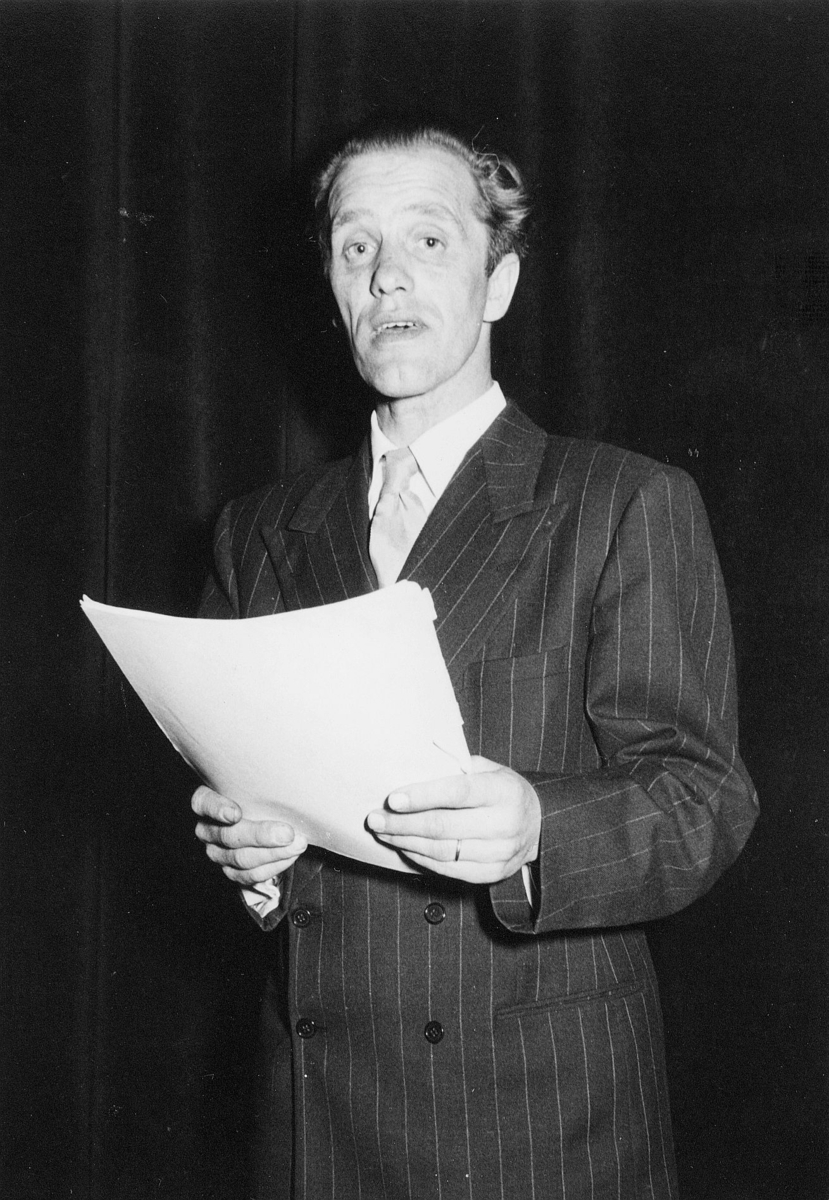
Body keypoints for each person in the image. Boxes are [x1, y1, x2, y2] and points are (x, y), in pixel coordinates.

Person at [192, 124, 757, 1200]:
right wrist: (245, 859)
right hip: (315, 1119)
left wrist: (542, 826)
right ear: (332, 291)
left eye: (428, 240)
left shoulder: (620, 502)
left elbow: (701, 801)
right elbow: (229, 802)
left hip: (536, 1120)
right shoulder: (255, 531)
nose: (387, 275)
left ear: (498, 282)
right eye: (355, 247)